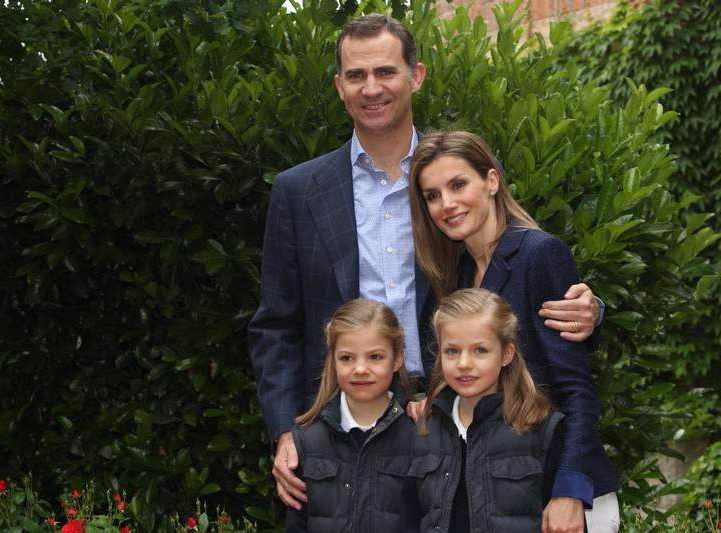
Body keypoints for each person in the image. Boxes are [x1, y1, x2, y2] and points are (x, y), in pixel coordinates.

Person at [248, 14, 600, 512]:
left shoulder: (449, 182)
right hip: (339, 427)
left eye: (386, 71)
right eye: (356, 75)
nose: (372, 88)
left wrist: (590, 310)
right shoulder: (298, 191)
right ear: (339, 86)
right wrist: (286, 429)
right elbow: (277, 325)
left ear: (416, 76)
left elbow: (515, 268)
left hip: (454, 418)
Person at [408, 130, 620, 532]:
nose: (447, 204)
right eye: (432, 195)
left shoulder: (539, 254)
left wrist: (569, 490)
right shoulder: (455, 274)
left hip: (559, 491)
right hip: (504, 492)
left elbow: (575, 387)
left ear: (491, 181)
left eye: (458, 185)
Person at [413, 288, 565, 532]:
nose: (464, 364)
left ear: (506, 354)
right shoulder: (424, 430)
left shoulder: (540, 427)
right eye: (452, 351)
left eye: (480, 350)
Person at [284, 299, 420, 532]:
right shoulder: (305, 441)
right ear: (333, 361)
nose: (360, 369)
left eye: (375, 357)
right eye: (347, 357)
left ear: (397, 359)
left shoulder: (420, 436)